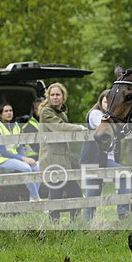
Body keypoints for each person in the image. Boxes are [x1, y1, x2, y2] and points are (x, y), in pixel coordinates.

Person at [79, 89, 132, 220]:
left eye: (111, 102)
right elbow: (105, 127)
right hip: (94, 159)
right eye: (105, 102)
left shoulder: (111, 118)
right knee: (122, 176)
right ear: (100, 102)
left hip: (103, 160)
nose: (108, 105)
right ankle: (122, 212)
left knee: (93, 192)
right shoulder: (95, 114)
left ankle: (88, 222)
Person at [39, 82, 85, 222]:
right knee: (57, 194)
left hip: (63, 160)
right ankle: (55, 225)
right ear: (48, 96)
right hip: (51, 159)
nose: (55, 97)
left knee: (73, 193)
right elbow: (59, 127)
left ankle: (73, 223)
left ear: (63, 96)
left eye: (58, 95)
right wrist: (79, 128)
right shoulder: (46, 112)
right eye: (52, 95)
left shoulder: (61, 112)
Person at [0, 102, 41, 201]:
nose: (9, 113)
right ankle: (36, 198)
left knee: (36, 167)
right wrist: (23, 159)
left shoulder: (16, 126)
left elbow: (19, 146)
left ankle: (32, 198)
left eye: (10, 111)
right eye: (6, 111)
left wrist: (25, 158)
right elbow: (3, 152)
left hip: (12, 158)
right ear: (0, 114)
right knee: (26, 168)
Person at [22, 96, 44, 161]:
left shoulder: (47, 122)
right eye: (36, 108)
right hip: (33, 157)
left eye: (41, 108)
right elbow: (36, 147)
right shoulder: (28, 126)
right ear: (33, 110)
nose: (39, 110)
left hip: (43, 155)